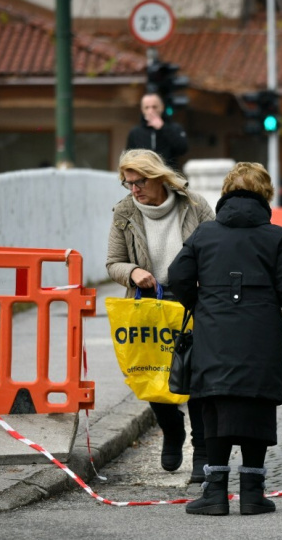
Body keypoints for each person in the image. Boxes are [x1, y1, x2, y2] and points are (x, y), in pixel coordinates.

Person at [168, 162, 282, 516]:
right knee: (256, 407)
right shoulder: (275, 237)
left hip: (213, 336)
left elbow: (177, 276)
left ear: (226, 194)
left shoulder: (205, 234)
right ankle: (252, 494)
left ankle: (214, 494)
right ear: (265, 196)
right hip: (260, 339)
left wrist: (201, 305)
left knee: (214, 406)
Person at [106, 148, 215, 483]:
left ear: (157, 177)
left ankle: (202, 452)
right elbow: (113, 262)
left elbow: (215, 248)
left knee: (196, 379)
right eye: (128, 183)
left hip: (190, 302)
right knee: (152, 375)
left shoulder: (194, 205)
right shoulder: (125, 212)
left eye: (139, 182)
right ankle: (172, 429)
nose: (134, 189)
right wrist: (134, 271)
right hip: (148, 303)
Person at [126, 93, 189, 171]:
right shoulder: (135, 132)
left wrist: (163, 127)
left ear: (162, 107)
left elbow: (182, 148)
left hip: (168, 175)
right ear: (142, 110)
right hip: (144, 176)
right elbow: (129, 157)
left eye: (154, 107)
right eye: (147, 107)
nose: (151, 111)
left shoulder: (174, 128)